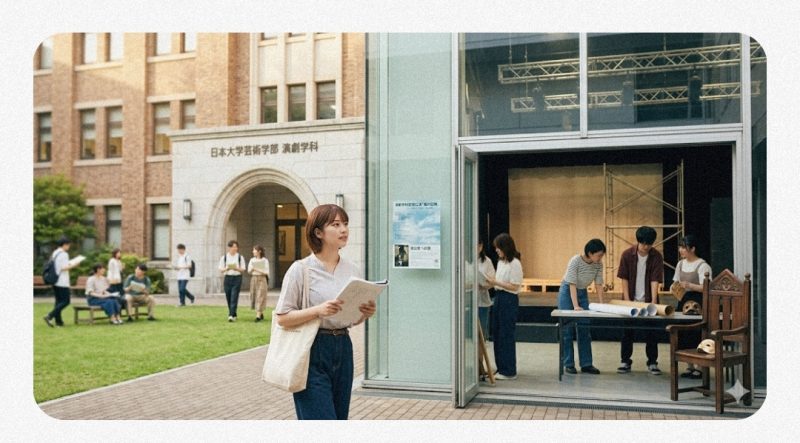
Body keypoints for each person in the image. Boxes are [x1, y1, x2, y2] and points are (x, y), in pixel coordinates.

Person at [274, 204, 376, 420]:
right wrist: (318, 311)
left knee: (339, 419)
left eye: (346, 224)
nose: (344, 230)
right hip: (311, 349)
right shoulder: (300, 270)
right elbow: (282, 318)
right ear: (318, 232)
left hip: (343, 348)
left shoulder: (352, 269)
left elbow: (347, 318)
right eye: (336, 225)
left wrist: (363, 313)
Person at [616, 226, 664, 375]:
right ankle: (625, 362)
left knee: (651, 333)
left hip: (648, 300)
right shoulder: (627, 254)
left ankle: (652, 362)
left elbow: (655, 280)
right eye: (643, 244)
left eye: (649, 244)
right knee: (627, 332)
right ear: (638, 241)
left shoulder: (656, 256)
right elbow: (624, 278)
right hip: (630, 299)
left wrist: (654, 302)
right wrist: (628, 300)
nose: (646, 247)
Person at [558, 239, 606, 375]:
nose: (600, 258)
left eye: (602, 255)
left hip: (582, 291)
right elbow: (572, 284)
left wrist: (601, 304)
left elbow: (598, 284)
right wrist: (576, 306)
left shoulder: (598, 264)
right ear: (590, 253)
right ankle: (568, 363)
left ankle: (586, 364)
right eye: (598, 255)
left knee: (584, 327)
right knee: (567, 329)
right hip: (568, 291)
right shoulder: (575, 260)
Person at [673, 234, 712, 379]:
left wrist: (690, 285)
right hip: (683, 300)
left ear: (693, 248)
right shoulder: (680, 264)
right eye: (680, 247)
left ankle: (700, 367)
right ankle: (689, 365)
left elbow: (707, 287)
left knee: (697, 333)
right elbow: (676, 281)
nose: (681, 250)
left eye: (684, 247)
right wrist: (675, 287)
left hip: (698, 302)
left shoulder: (703, 265)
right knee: (684, 333)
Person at [485, 233, 523, 380]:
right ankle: (500, 367)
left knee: (506, 334)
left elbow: (514, 286)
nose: (496, 250)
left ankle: (509, 370)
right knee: (497, 333)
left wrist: (495, 282)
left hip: (509, 299)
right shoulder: (501, 262)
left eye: (498, 247)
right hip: (499, 298)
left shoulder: (515, 263)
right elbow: (498, 281)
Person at [43, 236, 79, 327]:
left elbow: (60, 265)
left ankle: (59, 322)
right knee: (66, 301)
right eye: (68, 245)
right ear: (64, 245)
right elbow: (63, 268)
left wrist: (70, 263)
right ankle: (49, 316)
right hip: (62, 281)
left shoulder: (55, 252)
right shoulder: (64, 254)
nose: (69, 247)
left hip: (55, 280)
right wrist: (74, 265)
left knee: (58, 301)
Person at [218, 240, 246, 322]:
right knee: (228, 296)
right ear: (229, 247)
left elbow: (243, 269)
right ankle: (233, 313)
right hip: (227, 277)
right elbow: (221, 269)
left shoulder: (240, 257)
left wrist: (236, 268)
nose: (235, 248)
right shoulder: (224, 257)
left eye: (236, 247)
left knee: (234, 296)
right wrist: (227, 268)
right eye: (233, 247)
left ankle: (230, 315)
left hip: (237, 277)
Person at [477, 239, 495, 341]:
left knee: (481, 333)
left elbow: (493, 281)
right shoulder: (464, 259)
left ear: (481, 246)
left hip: (482, 300)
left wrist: (483, 285)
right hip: (467, 300)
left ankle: (480, 356)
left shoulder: (487, 261)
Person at [248, 245, 270, 322]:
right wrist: (254, 269)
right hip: (254, 278)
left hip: (262, 279)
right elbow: (249, 270)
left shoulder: (265, 261)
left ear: (259, 251)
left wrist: (256, 269)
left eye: (254, 250)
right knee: (254, 295)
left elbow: (266, 272)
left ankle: (258, 316)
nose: (253, 252)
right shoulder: (252, 260)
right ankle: (260, 313)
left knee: (261, 296)